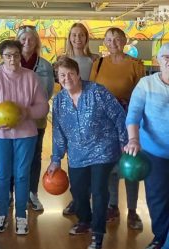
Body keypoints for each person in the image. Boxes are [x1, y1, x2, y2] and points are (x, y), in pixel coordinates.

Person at [48, 56, 127, 249]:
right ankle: (85, 220)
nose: (67, 78)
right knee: (78, 192)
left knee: (99, 191)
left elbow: (119, 115)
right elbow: (58, 130)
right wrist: (56, 159)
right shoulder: (58, 100)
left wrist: (126, 142)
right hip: (77, 153)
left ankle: (98, 233)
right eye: (62, 75)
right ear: (58, 78)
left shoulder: (97, 92)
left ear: (78, 74)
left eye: (70, 74)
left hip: (103, 149)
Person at [0, 40, 49, 234]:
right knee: (2, 174)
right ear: (1, 57)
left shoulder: (31, 77)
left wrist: (26, 113)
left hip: (25, 134)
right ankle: (1, 214)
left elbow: (43, 107)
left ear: (20, 56)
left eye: (16, 55)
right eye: (8, 55)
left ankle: (20, 216)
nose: (12, 59)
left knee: (21, 174)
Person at [89, 27, 145, 230]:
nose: (113, 42)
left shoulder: (135, 65)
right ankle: (113, 206)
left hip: (128, 120)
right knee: (111, 165)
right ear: (104, 42)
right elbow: (93, 92)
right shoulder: (99, 63)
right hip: (105, 123)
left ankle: (132, 210)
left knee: (131, 164)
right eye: (109, 39)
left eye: (117, 39)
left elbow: (142, 95)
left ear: (125, 40)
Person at [127, 43, 169, 249]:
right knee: (157, 201)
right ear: (158, 59)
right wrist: (134, 139)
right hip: (154, 152)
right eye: (166, 56)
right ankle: (162, 240)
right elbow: (133, 114)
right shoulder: (146, 84)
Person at [15, 25, 54, 211]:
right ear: (18, 41)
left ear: (36, 42)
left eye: (31, 39)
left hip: (37, 119)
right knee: (15, 155)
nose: (27, 42)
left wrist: (35, 108)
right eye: (23, 39)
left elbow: (49, 91)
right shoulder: (11, 62)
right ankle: (11, 193)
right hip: (14, 119)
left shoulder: (45, 65)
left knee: (34, 156)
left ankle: (32, 193)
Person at [62, 22, 99, 215]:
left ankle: (87, 199)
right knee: (73, 159)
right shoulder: (63, 60)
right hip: (71, 114)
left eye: (81, 35)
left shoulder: (95, 60)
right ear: (69, 37)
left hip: (91, 115)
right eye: (74, 35)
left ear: (86, 38)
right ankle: (76, 199)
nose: (77, 39)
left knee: (91, 158)